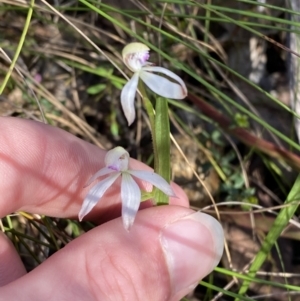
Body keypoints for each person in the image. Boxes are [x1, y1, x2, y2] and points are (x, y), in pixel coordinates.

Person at [0, 117, 224, 301]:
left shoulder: (137, 178)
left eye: (122, 157)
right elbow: (91, 194)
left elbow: (164, 188)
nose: (119, 159)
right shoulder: (105, 178)